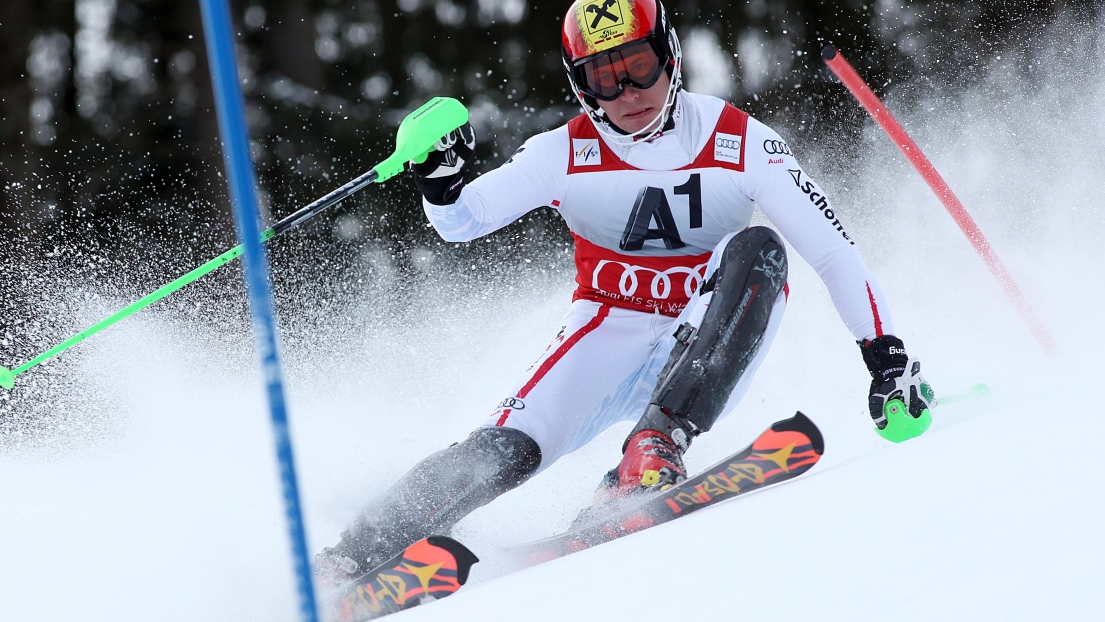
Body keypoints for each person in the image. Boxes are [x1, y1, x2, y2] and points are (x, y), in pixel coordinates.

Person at [315, 0, 932, 583]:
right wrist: (442, 185)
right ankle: (353, 555)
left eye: (639, 68)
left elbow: (829, 250)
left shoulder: (740, 139)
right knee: (504, 449)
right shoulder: (563, 151)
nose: (628, 93)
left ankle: (654, 445)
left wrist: (885, 357)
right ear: (581, 84)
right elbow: (465, 221)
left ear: (669, 57)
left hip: (706, 328)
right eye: (604, 78)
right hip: (606, 328)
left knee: (762, 251)